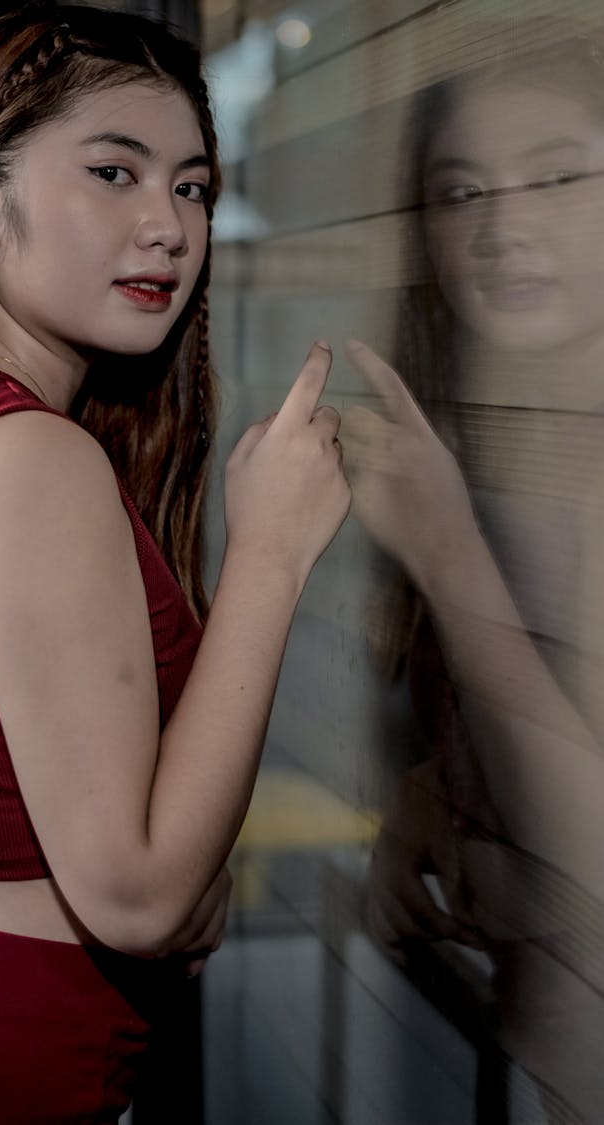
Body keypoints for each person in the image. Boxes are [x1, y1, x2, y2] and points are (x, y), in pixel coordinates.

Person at [0, 6, 351, 1123]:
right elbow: (137, 895)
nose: (168, 227)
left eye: (191, 187)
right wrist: (271, 553)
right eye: (114, 172)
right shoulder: (30, 457)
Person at [343, 32, 604, 1124]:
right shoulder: (499, 446)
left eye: (556, 175)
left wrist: (447, 558)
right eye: (462, 191)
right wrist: (428, 801)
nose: (502, 228)